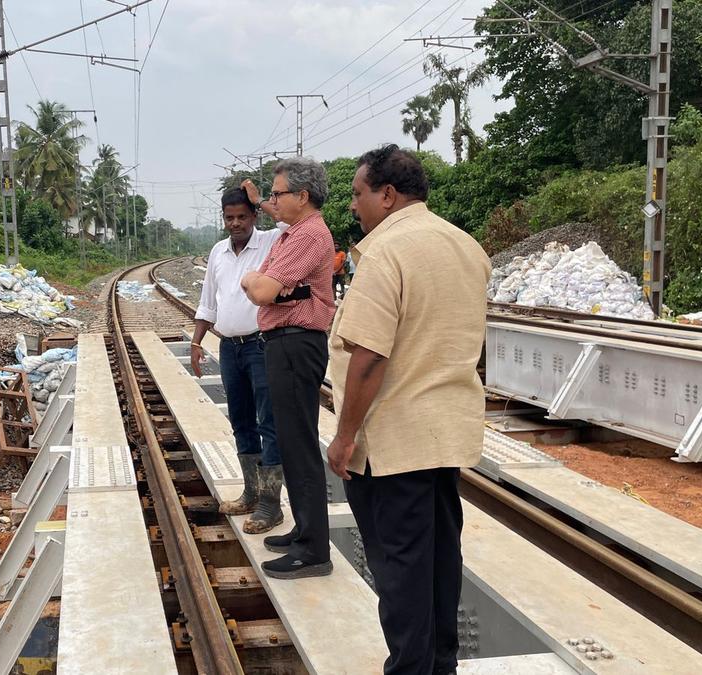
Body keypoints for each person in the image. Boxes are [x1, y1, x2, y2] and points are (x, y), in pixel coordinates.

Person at [326, 144, 490, 675]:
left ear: (388, 195)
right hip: (444, 436)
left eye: (358, 193)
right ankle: (441, 665)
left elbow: (370, 356)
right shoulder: (466, 246)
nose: (353, 206)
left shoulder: (385, 252)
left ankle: (410, 669)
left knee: (400, 573)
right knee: (440, 562)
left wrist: (344, 435)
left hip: (393, 443)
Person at [239, 157, 336, 580]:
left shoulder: (309, 236)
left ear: (302, 195)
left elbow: (259, 289)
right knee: (293, 442)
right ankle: (303, 531)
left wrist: (265, 287)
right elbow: (261, 284)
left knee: (299, 445)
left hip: (297, 344)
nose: (272, 201)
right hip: (284, 344)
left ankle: (314, 549)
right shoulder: (292, 233)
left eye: (278, 194)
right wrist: (269, 287)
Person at [191, 187, 286, 534]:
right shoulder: (218, 252)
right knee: (241, 421)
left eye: (242, 216)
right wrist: (197, 341)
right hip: (229, 348)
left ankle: (271, 505)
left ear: (254, 216)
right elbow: (208, 302)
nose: (235, 223)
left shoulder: (272, 242)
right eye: (229, 217)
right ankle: (250, 492)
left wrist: (260, 198)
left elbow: (291, 222)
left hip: (260, 346)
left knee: (269, 422)